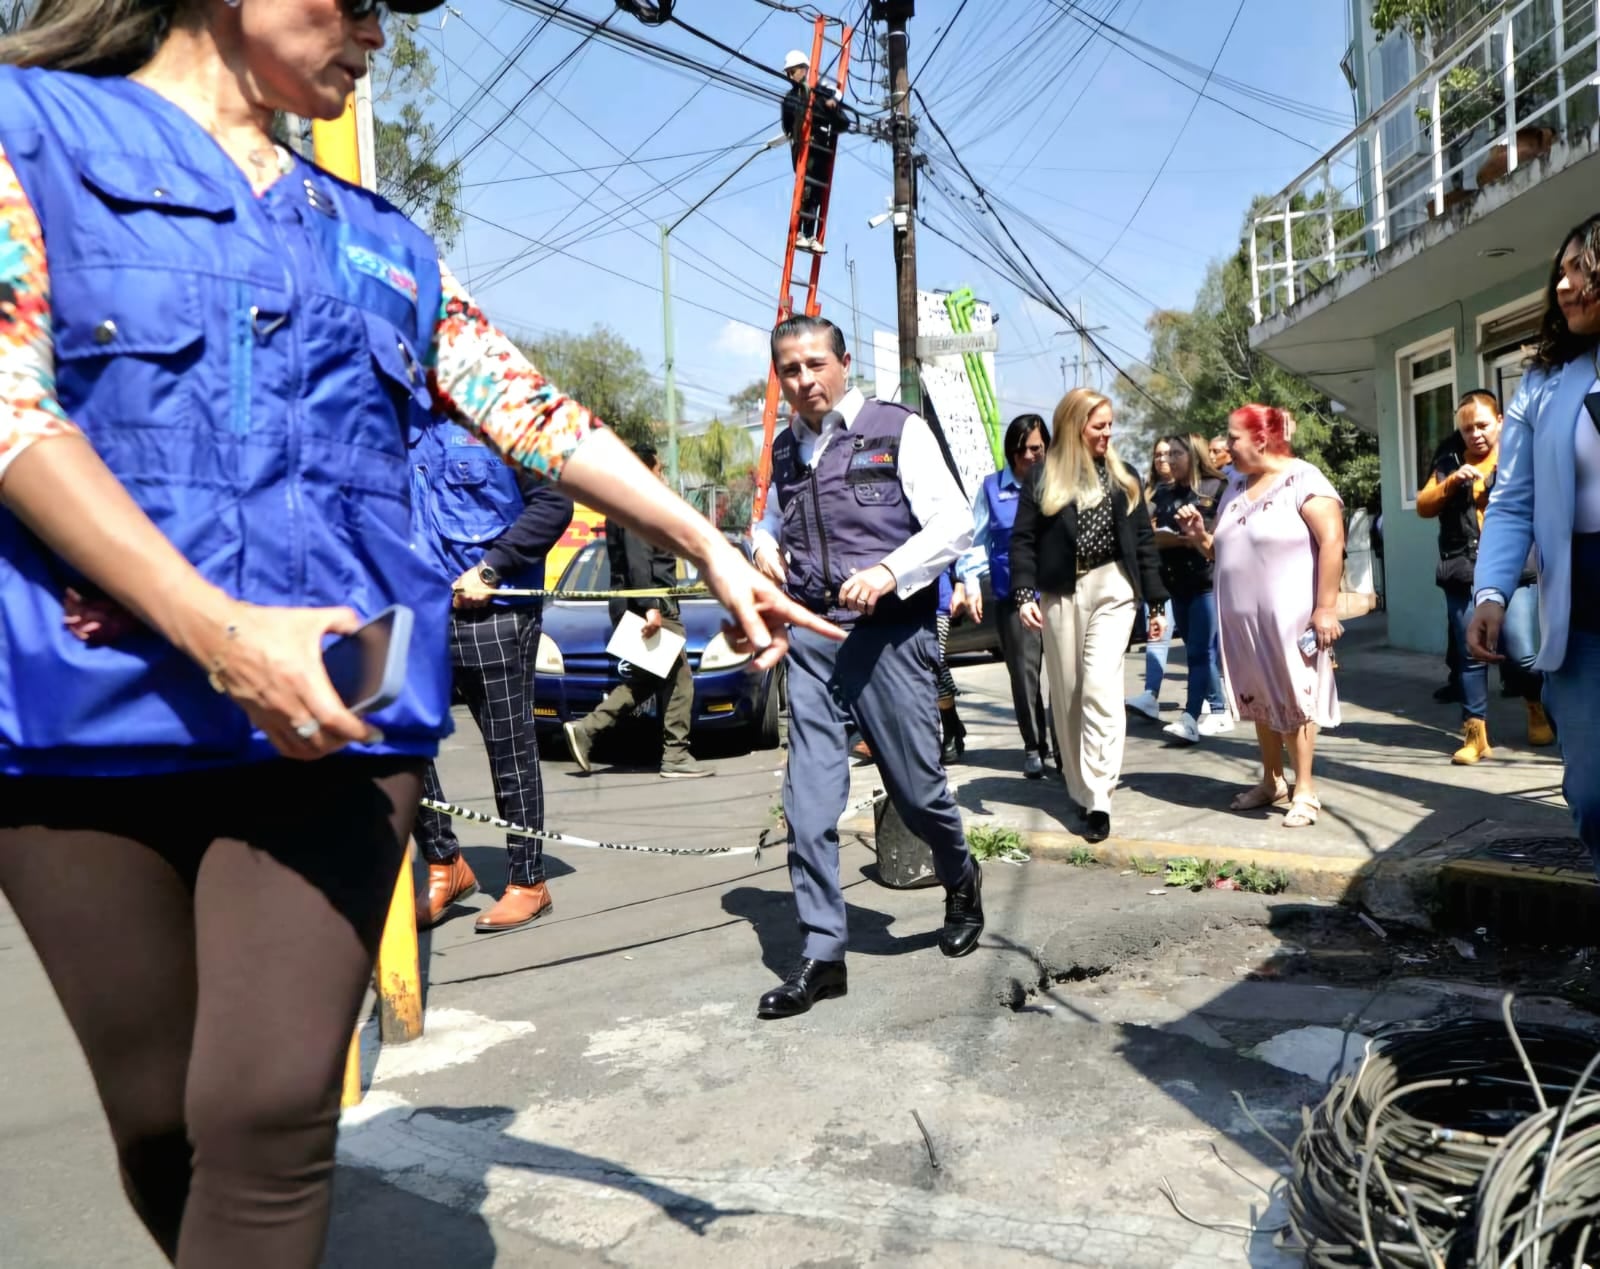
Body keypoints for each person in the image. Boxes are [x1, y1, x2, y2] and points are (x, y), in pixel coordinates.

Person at [0, 6, 837, 1265]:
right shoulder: (29, 135)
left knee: (268, 1112)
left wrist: (707, 538)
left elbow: (530, 405)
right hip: (85, 721)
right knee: (163, 1129)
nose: (377, 33)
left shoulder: (377, 241)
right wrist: (218, 633)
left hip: (338, 725)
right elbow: (11, 408)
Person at [750, 315, 983, 1019]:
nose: (804, 380)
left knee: (917, 793)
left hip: (888, 636)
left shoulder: (897, 429)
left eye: (816, 363)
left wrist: (888, 570)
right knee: (807, 807)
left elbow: (954, 525)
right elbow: (769, 519)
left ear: (844, 362)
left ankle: (960, 873)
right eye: (790, 369)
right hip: (815, 639)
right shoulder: (786, 451)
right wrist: (759, 544)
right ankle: (823, 954)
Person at [1471, 212, 1600, 876]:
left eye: (1583, 270)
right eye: (1563, 271)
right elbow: (1513, 496)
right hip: (1582, 598)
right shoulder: (1546, 383)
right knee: (1592, 787)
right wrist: (1490, 591)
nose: (1565, 285)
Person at [413, 424, 575, 933]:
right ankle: (445, 863)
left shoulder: (497, 416)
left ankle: (528, 882)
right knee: (401, 744)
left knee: (509, 749)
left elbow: (554, 504)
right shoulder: (394, 421)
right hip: (414, 610)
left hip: (493, 612)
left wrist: (491, 570)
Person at [1175, 405, 1345, 829]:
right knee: (1258, 698)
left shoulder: (1304, 479)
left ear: (1261, 440)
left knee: (1294, 697)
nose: (1226, 447)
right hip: (1241, 619)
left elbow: (1332, 540)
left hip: (1289, 618)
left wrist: (1325, 608)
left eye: (1233, 438)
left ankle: (1305, 790)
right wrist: (1199, 537)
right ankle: (1272, 781)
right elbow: (1224, 549)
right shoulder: (1235, 486)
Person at [1010, 388, 1167, 844]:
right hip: (1061, 593)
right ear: (1075, 426)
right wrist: (1024, 594)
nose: (1107, 434)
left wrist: (1156, 603)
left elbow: (1143, 544)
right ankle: (1079, 787)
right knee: (1070, 692)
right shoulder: (1042, 477)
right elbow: (1022, 541)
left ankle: (1100, 793)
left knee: (1100, 683)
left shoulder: (1124, 476)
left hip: (1114, 588)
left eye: (1110, 425)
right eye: (1099, 426)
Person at [1416, 390, 1550, 764]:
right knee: (1468, 656)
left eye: (1482, 425)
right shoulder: (1448, 462)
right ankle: (1475, 733)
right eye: (1466, 428)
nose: (1474, 434)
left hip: (1514, 571)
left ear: (1501, 422)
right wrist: (1452, 482)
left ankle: (1536, 704)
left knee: (1522, 653)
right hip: (1463, 570)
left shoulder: (1517, 458)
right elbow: (1424, 505)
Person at [564, 442, 709, 780]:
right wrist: (650, 608)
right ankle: (675, 756)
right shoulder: (633, 502)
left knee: (648, 680)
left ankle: (588, 729)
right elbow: (638, 558)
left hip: (643, 603)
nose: (662, 477)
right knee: (679, 680)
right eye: (659, 470)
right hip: (649, 606)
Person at [955, 413, 1053, 778]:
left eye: (1038, 449)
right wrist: (967, 583)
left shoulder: (1057, 483)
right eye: (1025, 450)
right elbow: (975, 544)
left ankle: (1062, 746)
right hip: (1013, 597)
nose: (1031, 457)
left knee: (1063, 676)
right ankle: (1033, 747)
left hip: (1056, 594)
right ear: (1012, 450)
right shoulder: (991, 489)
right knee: (1024, 675)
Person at [1149, 433, 1230, 744]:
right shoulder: (1164, 493)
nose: (1168, 461)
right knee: (1197, 651)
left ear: (1193, 455)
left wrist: (1193, 535)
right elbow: (1151, 531)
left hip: (1206, 581)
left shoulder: (1217, 487)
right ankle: (1216, 710)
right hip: (1176, 583)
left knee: (1199, 652)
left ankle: (1191, 717)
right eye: (1166, 455)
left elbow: (1218, 534)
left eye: (1176, 454)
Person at [1125, 434, 1174, 721]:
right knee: (1157, 636)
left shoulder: (1189, 489)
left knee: (1198, 641)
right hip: (1156, 575)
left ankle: (1212, 699)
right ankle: (1150, 695)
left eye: (1168, 454)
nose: (1162, 459)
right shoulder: (1147, 493)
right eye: (1158, 454)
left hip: (1188, 575)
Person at [779, 49, 847, 254]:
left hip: (821, 151)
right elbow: (787, 126)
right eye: (788, 73)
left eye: (793, 71)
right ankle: (799, 233)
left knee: (816, 194)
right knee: (806, 191)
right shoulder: (790, 98)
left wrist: (831, 107)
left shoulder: (820, 94)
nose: (790, 77)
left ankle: (811, 235)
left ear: (805, 69)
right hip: (803, 149)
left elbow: (842, 121)